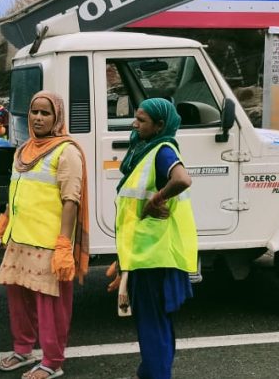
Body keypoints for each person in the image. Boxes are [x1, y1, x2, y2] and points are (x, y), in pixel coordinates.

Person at [0, 91, 90, 379]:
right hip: (19, 238)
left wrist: (63, 245)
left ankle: (52, 362)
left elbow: (71, 199)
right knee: (18, 300)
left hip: (49, 244)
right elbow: (15, 193)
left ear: (56, 117)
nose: (38, 118)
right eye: (34, 112)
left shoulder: (67, 151)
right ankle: (23, 350)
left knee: (50, 307)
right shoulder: (22, 150)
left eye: (45, 113)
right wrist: (1, 228)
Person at [107, 98, 197, 379]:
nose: (135, 124)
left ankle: (155, 374)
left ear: (160, 125)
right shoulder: (147, 151)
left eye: (142, 120)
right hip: (146, 252)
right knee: (159, 322)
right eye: (135, 117)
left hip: (152, 256)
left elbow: (182, 179)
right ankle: (151, 372)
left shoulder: (162, 150)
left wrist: (156, 200)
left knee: (151, 325)